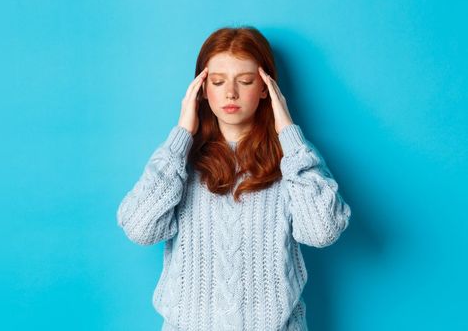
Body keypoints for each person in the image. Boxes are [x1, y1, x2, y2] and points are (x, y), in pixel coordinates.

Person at [116, 26, 351, 331]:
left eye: (245, 81)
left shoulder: (294, 162)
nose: (230, 93)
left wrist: (288, 132)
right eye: (217, 81)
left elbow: (323, 232)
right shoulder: (180, 163)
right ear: (201, 88)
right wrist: (182, 135)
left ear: (266, 87)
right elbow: (139, 229)